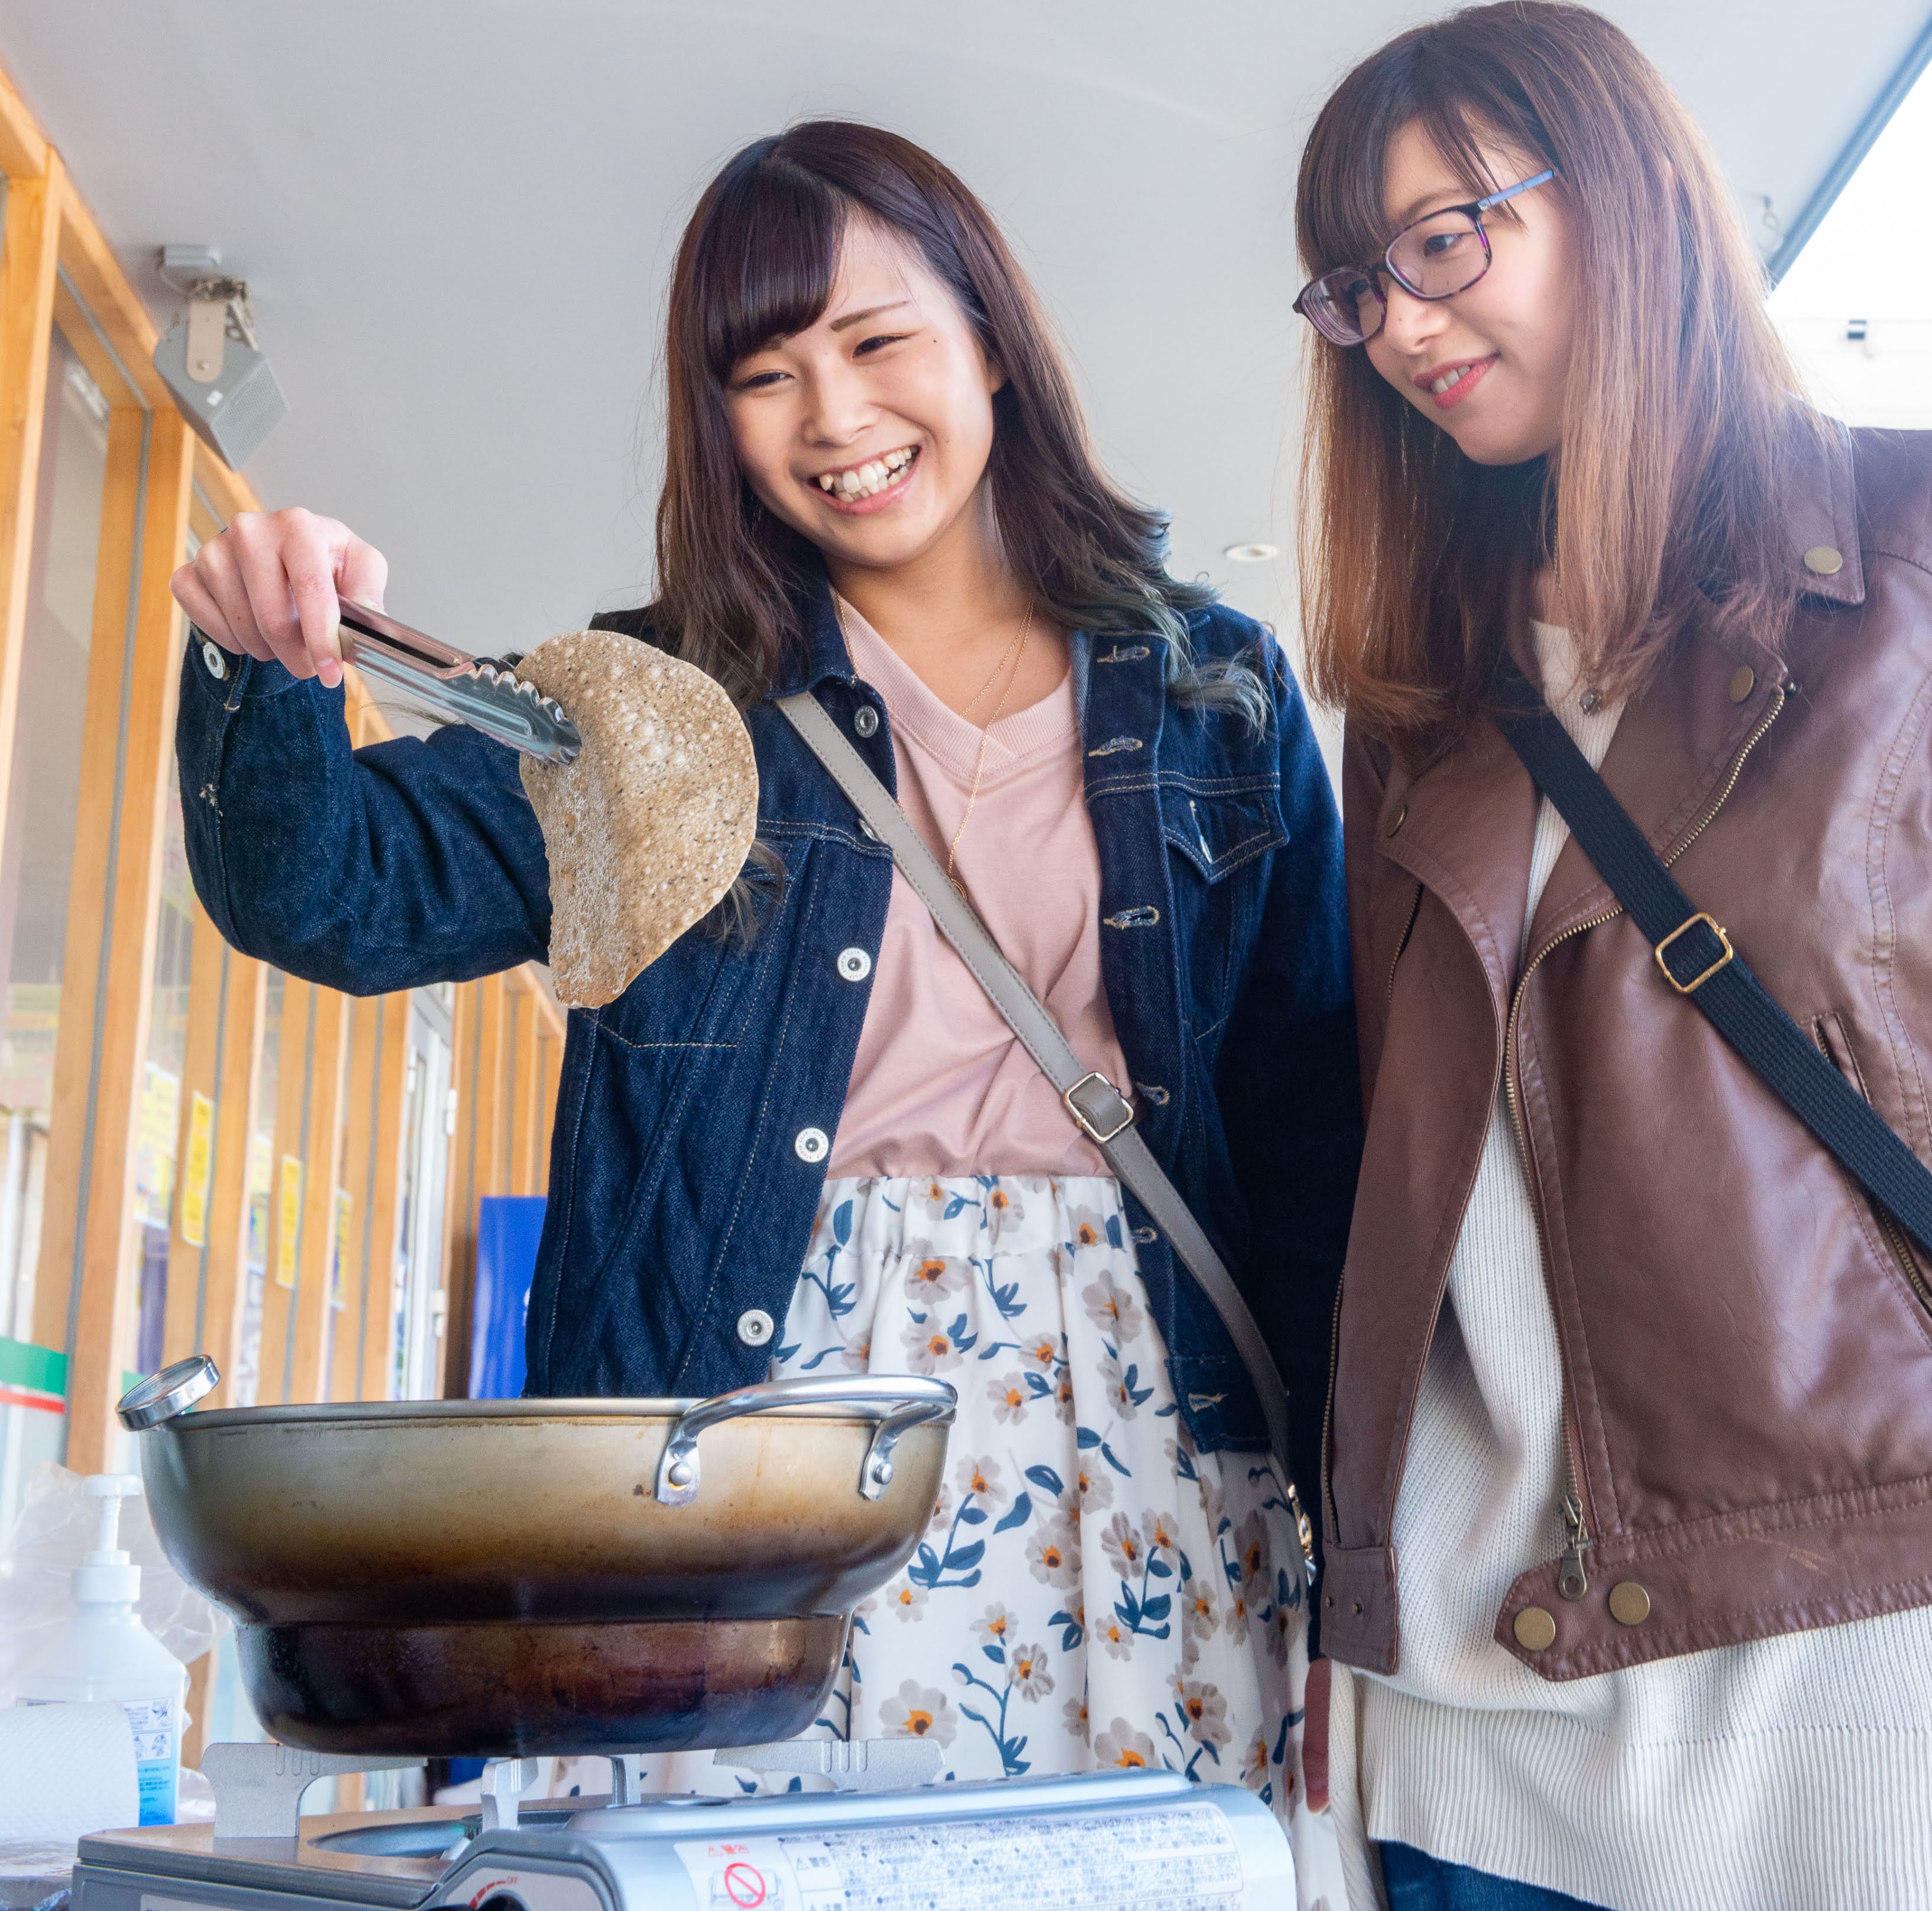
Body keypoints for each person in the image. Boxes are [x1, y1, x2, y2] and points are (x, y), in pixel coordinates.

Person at [171, 120, 1360, 1879]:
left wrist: (1359, 1567)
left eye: (879, 344)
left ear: (987, 346)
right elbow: (336, 894)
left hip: (1151, 1431)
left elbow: (1310, 1126)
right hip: (750, 1448)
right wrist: (259, 664)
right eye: (764, 373)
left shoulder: (1210, 687)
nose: (834, 417)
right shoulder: (651, 707)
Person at [1289, 0, 1932, 1911]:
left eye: (1440, 239)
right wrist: (1344, 1611)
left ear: (1633, 195)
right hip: (1476, 1739)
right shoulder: (1421, 706)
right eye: (1353, 285)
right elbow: (1381, 1184)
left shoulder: (1903, 553)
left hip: (1856, 1661)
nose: (1399, 326)